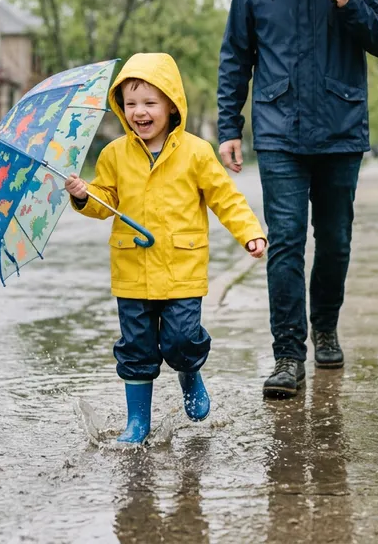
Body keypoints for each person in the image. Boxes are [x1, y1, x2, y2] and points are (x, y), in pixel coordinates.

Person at [217, 0, 378, 399]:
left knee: (336, 242)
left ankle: (325, 326)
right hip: (278, 134)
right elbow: (236, 58)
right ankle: (288, 354)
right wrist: (230, 126)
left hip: (341, 131)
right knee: (287, 243)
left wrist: (352, 4)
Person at [65, 52, 267, 444]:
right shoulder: (114, 154)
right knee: (136, 347)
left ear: (172, 104)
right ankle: (138, 422)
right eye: (130, 104)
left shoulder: (196, 152)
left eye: (149, 103)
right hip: (132, 272)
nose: (139, 112)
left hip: (181, 270)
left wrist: (249, 232)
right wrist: (83, 194)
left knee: (181, 339)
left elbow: (225, 198)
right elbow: (103, 201)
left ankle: (189, 373)